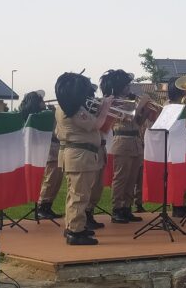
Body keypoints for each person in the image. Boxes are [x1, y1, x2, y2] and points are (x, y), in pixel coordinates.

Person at [55, 72, 112, 245]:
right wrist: (105, 108)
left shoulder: (67, 107)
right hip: (80, 156)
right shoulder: (73, 110)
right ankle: (75, 231)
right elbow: (97, 124)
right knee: (79, 195)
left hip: (77, 156)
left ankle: (74, 225)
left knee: (76, 194)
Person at [100, 69, 148, 223]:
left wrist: (145, 112)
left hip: (135, 141)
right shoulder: (114, 102)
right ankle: (117, 209)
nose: (129, 87)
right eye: (126, 84)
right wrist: (141, 105)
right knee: (121, 178)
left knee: (132, 178)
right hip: (122, 141)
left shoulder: (130, 102)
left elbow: (137, 122)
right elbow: (128, 117)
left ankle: (127, 207)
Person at [19, 91, 63, 220]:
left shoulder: (47, 114)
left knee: (57, 178)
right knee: (51, 178)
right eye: (41, 101)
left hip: (55, 147)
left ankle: (48, 205)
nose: (44, 103)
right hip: (49, 148)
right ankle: (43, 205)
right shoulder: (36, 116)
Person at [164, 77, 186, 217]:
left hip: (181, 143)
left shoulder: (182, 105)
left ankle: (183, 203)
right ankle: (177, 206)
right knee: (175, 176)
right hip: (172, 145)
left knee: (182, 175)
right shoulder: (168, 106)